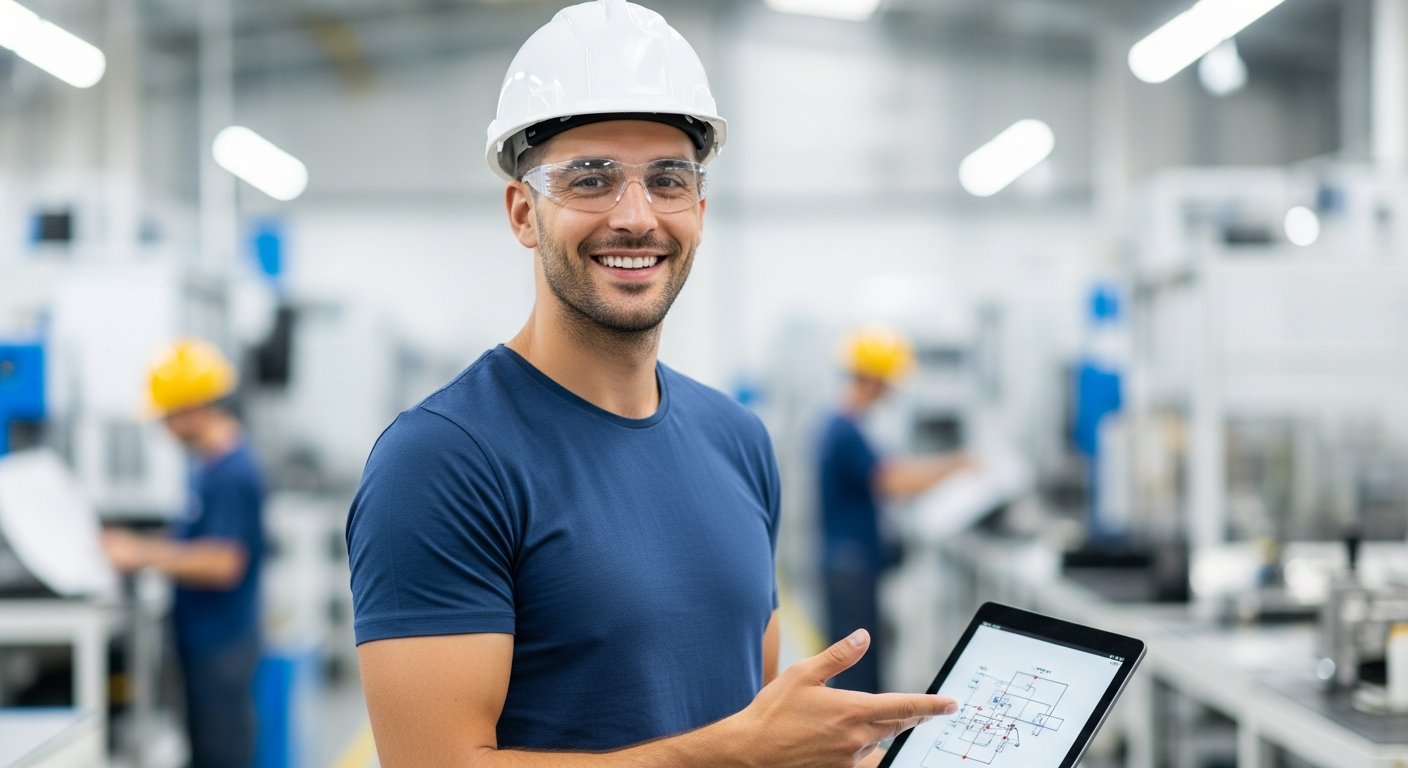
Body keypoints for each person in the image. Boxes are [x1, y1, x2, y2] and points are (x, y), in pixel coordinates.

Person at [345, 2, 958, 766]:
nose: (636, 217)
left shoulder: (736, 440)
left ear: (698, 209)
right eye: (591, 179)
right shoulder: (442, 461)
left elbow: (750, 733)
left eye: (668, 180)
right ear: (522, 213)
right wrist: (737, 752)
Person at [101, 339, 266, 768]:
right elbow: (199, 538)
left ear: (193, 408)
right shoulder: (209, 466)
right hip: (207, 641)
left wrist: (139, 553)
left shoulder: (232, 472)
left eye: (167, 417)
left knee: (221, 756)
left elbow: (223, 562)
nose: (163, 428)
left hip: (221, 646)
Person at [817, 327, 974, 694]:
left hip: (852, 562)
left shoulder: (844, 426)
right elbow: (891, 481)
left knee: (863, 662)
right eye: (887, 383)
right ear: (872, 380)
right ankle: (858, 748)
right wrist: (956, 466)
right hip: (850, 566)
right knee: (857, 669)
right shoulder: (844, 430)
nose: (889, 393)